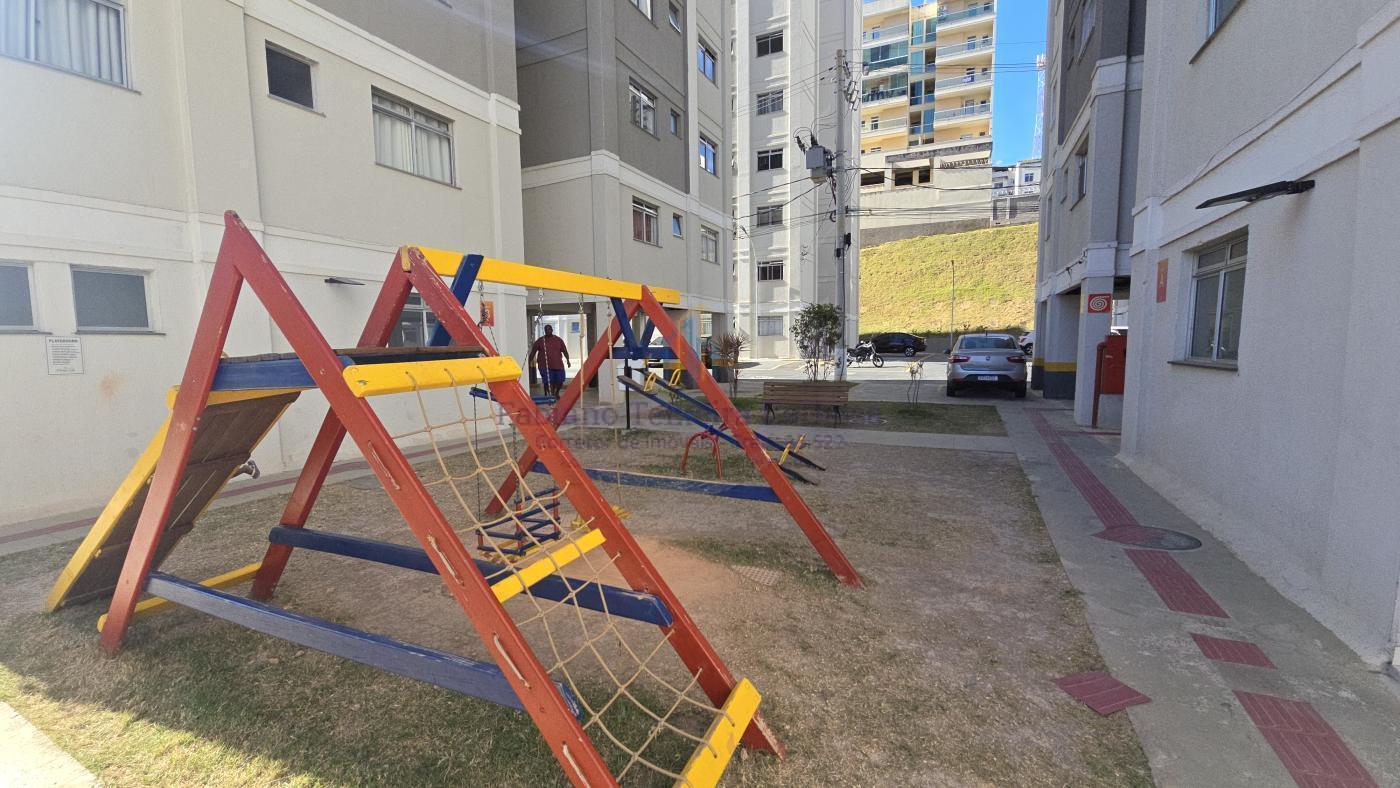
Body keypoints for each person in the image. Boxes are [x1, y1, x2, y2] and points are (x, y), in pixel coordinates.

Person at [529, 324, 570, 398]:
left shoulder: (558, 340)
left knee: (560, 380)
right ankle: (552, 395)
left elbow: (565, 351)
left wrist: (568, 360)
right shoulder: (540, 341)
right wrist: (528, 363)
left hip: (558, 365)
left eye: (549, 329)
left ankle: (556, 393)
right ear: (544, 331)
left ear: (552, 330)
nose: (548, 331)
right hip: (544, 366)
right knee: (549, 381)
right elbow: (533, 352)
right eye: (546, 329)